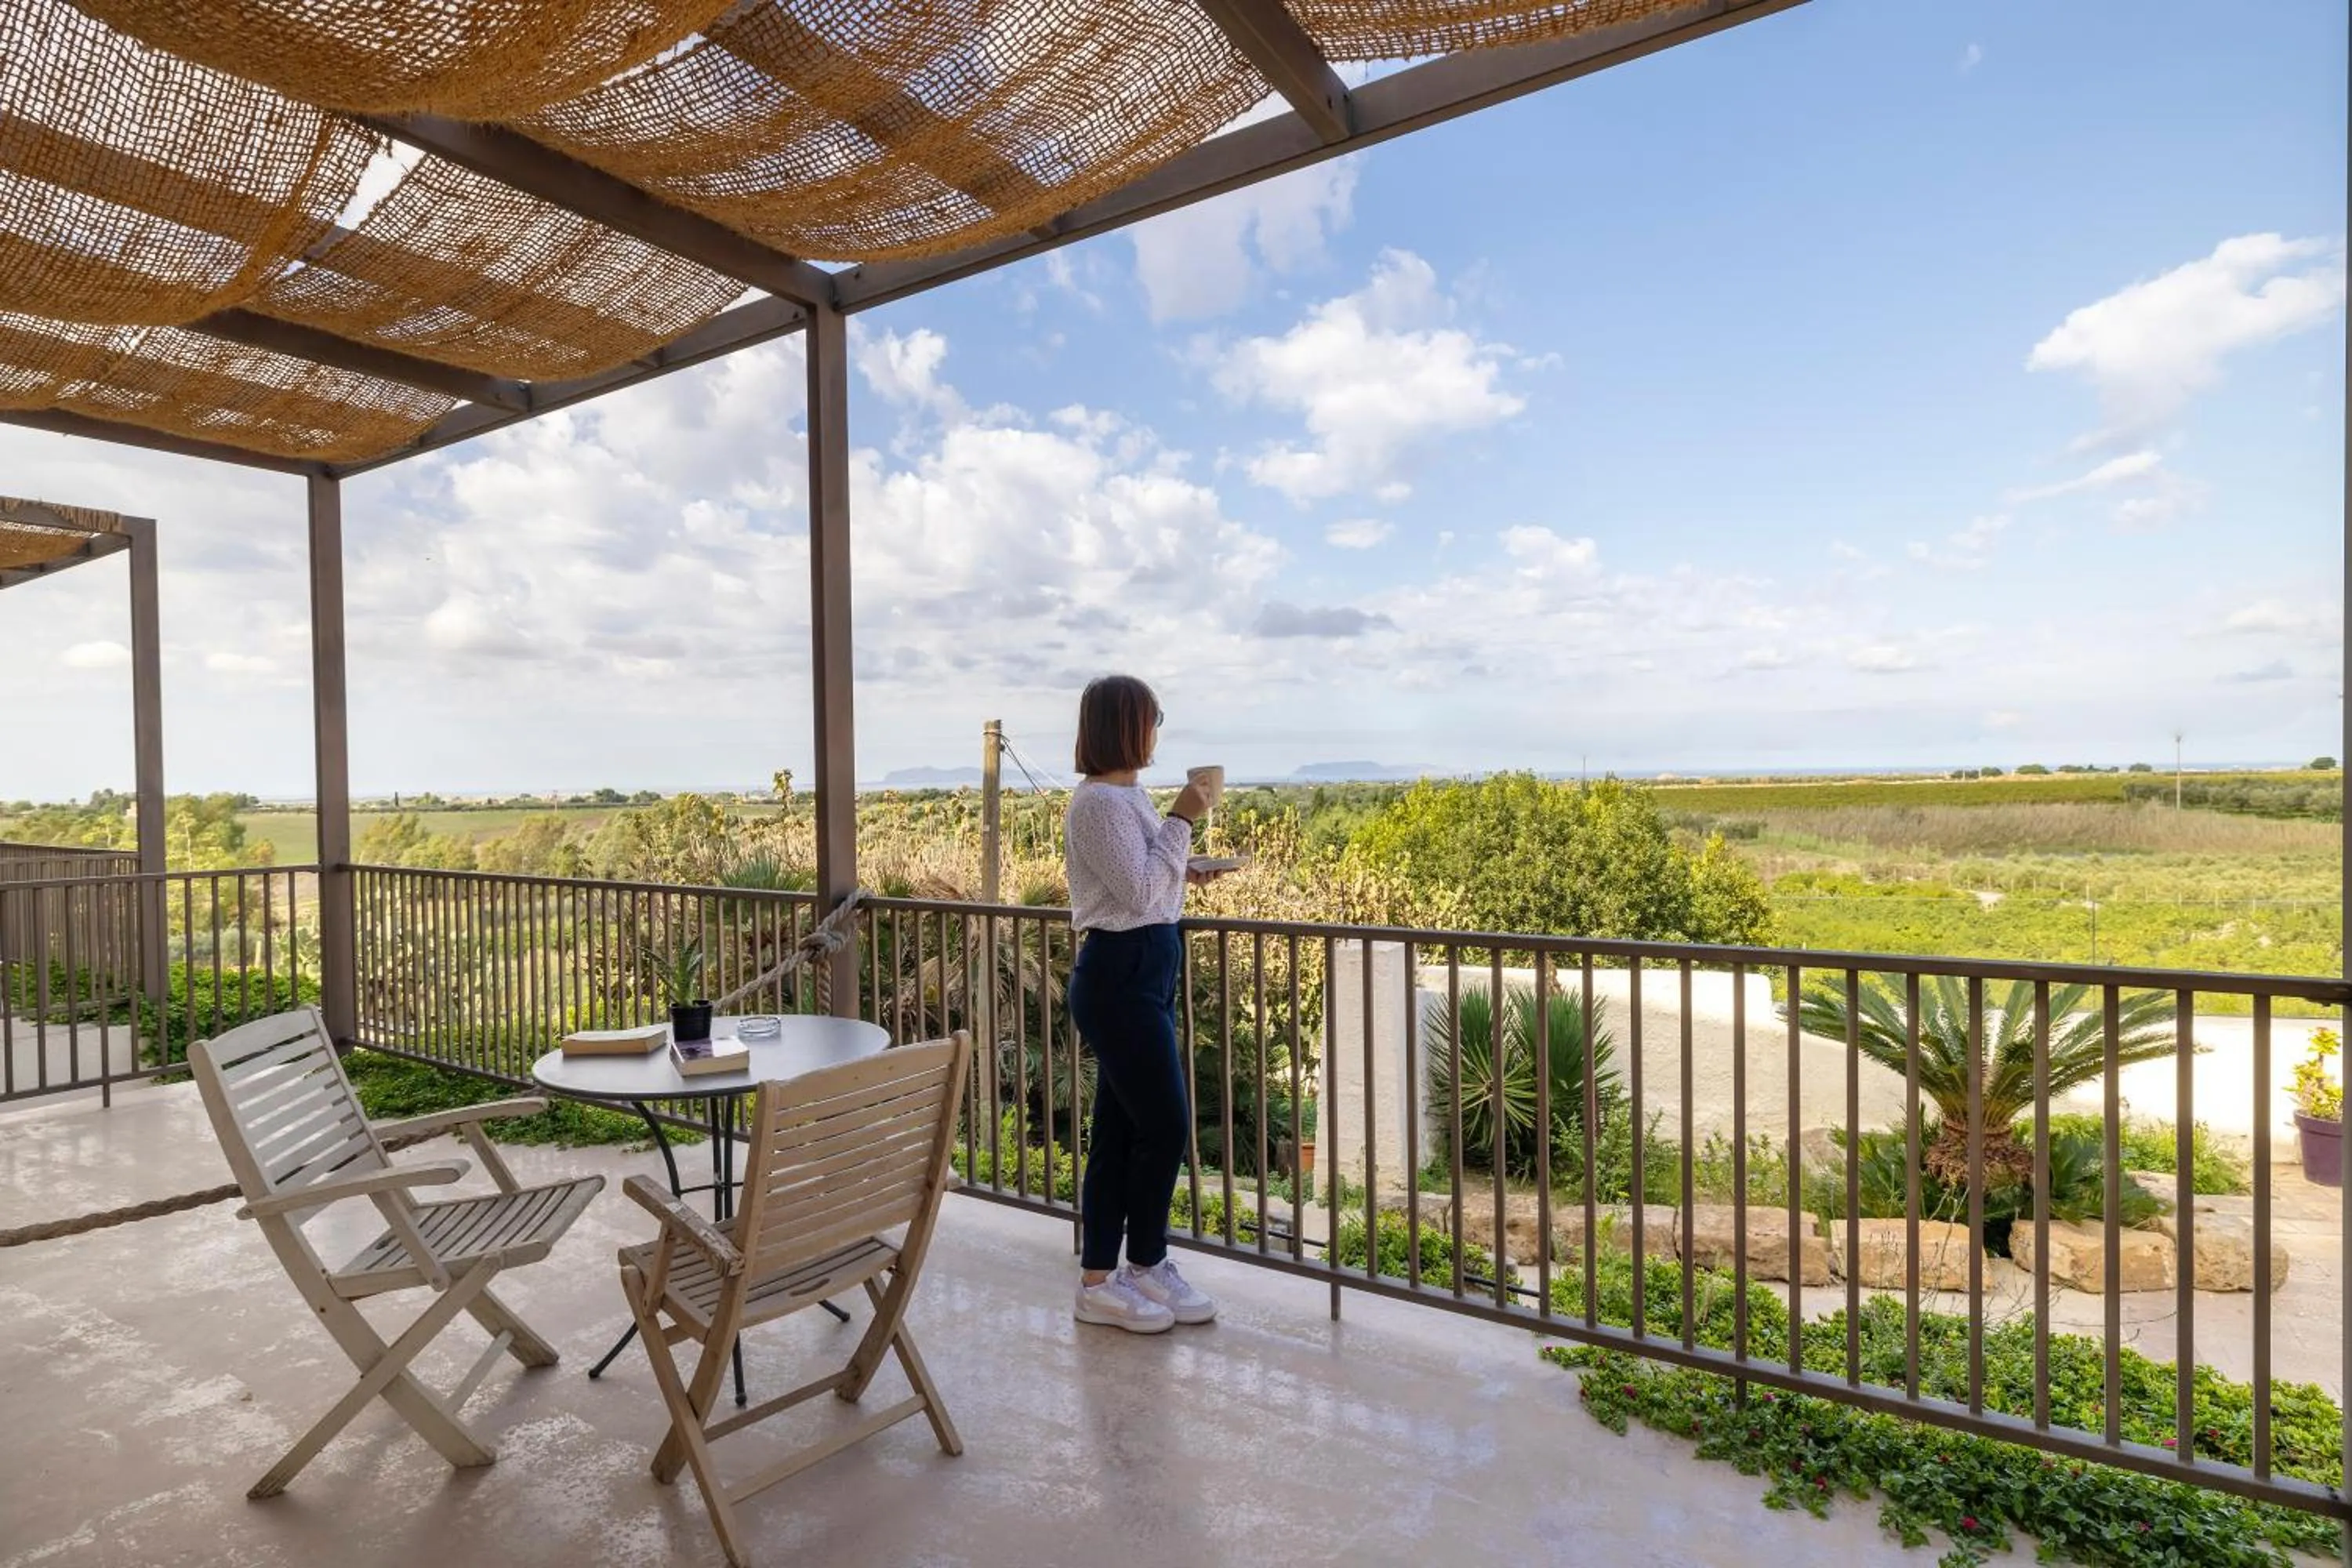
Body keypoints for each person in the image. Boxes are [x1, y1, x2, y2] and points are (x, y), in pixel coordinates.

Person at [1062, 674, 1227, 1334]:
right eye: (1154, 717)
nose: (1159, 727)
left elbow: (1151, 887)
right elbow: (1134, 895)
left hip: (1145, 967)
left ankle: (1102, 1279)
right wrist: (1184, 817)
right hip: (1120, 973)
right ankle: (1147, 1263)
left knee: (1119, 1132)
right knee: (1164, 1126)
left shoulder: (1127, 799)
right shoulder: (1099, 804)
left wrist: (1184, 863)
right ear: (1127, 725)